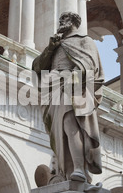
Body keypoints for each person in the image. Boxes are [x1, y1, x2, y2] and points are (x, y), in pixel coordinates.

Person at [32, 12, 104, 183]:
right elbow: (37, 67)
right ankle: (63, 171)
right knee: (58, 133)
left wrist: (71, 79)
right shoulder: (56, 44)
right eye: (60, 20)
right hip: (53, 91)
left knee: (70, 126)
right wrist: (50, 48)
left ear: (73, 22)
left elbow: (90, 66)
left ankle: (78, 169)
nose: (60, 22)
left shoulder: (84, 41)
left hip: (72, 89)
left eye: (64, 19)